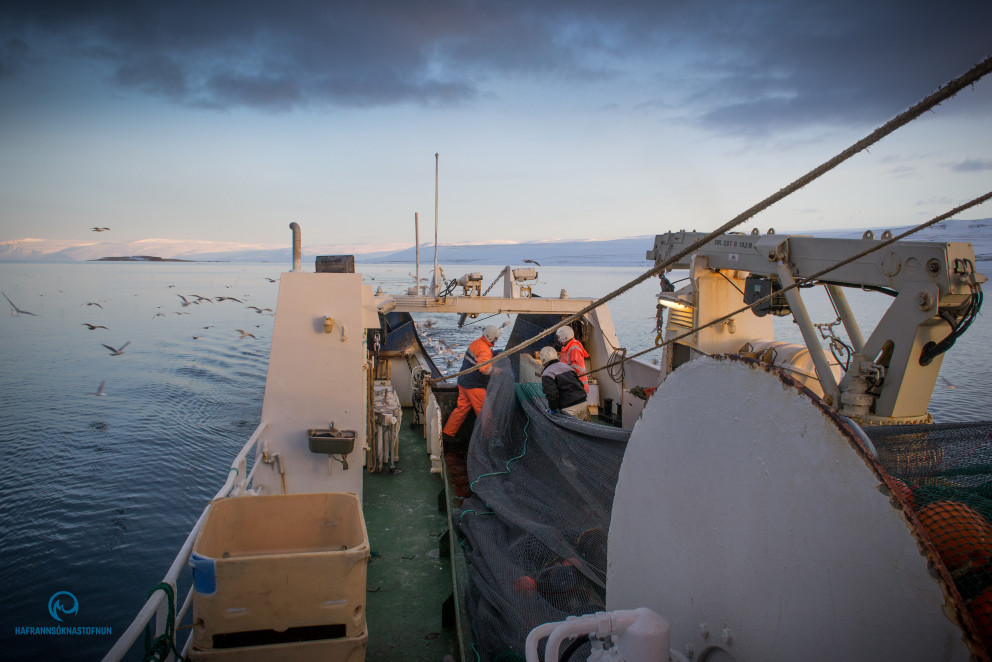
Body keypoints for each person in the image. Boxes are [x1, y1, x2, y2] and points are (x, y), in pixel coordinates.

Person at [442, 324, 502, 440]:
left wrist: (493, 353)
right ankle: (492, 438)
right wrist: (499, 371)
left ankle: (447, 434)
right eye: (495, 338)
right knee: (486, 413)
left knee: (461, 409)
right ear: (490, 337)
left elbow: (479, 358)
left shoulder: (476, 343)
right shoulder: (484, 349)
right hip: (474, 386)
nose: (496, 340)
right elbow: (485, 369)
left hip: (463, 382)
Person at [540, 346, 590, 421]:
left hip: (570, 408)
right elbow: (580, 384)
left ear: (542, 359)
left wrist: (553, 408)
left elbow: (552, 395)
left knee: (568, 428)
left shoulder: (547, 373)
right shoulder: (567, 367)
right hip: (583, 403)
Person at [556, 325, 590, 392]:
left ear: (564, 337)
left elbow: (576, 369)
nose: (558, 339)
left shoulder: (574, 348)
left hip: (578, 387)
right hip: (570, 385)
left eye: (559, 337)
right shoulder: (564, 348)